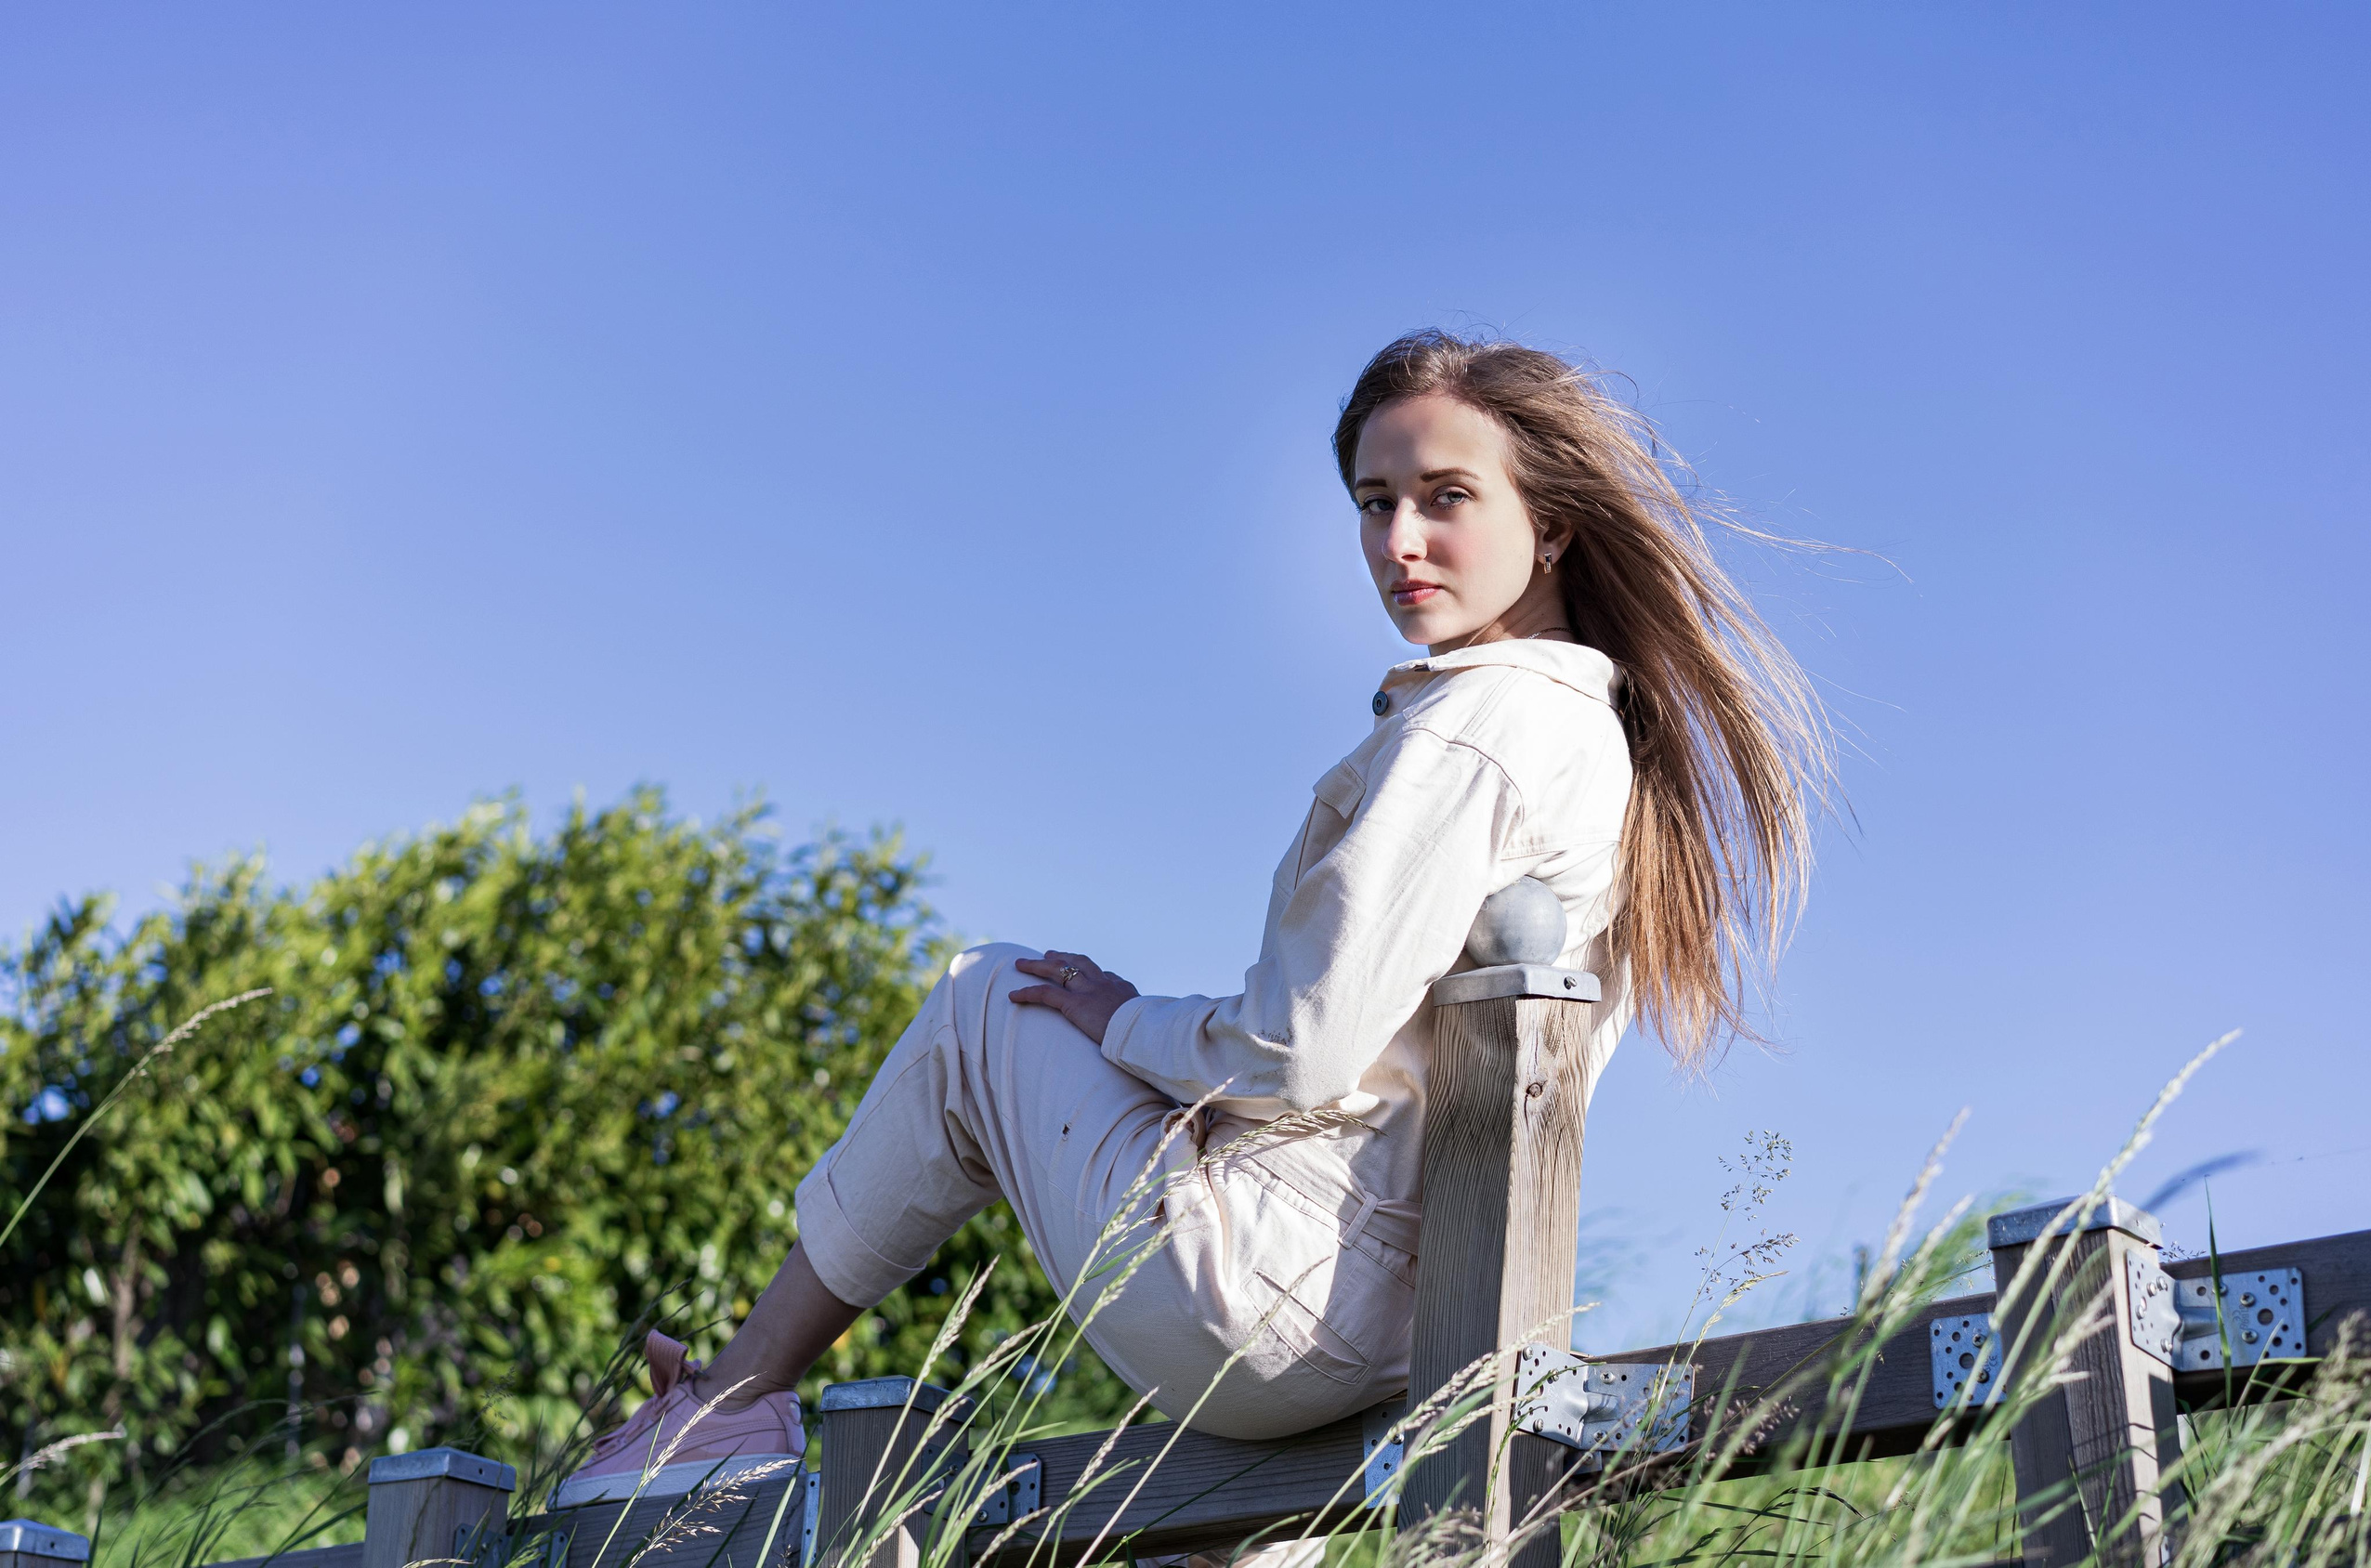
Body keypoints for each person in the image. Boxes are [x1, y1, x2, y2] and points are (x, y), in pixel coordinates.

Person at [553, 330, 1830, 1506]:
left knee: (981, 1000)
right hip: (1409, 1319)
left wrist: (1124, 1023)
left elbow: (1299, 1051)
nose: (1399, 543)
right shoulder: (1574, 730)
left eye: (1447, 497)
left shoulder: (1480, 726)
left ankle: (725, 1400)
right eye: (1374, 505)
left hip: (1275, 1296)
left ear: (1548, 525)